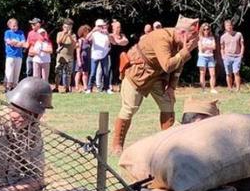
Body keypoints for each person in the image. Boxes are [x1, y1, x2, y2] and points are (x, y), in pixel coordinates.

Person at [111, 16, 199, 155]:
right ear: (182, 33)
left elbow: (178, 65)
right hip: (137, 74)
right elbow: (168, 65)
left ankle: (168, 144)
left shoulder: (181, 41)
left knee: (168, 105)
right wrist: (185, 52)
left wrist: (171, 87)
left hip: (157, 76)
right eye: (191, 36)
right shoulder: (162, 38)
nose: (193, 41)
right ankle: (117, 145)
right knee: (129, 108)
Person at [88, 20, 112, 93]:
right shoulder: (94, 34)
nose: (101, 28)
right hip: (95, 56)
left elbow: (112, 42)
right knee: (93, 73)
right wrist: (92, 31)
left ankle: (106, 88)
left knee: (106, 73)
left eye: (102, 26)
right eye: (99, 26)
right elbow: (87, 39)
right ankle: (89, 88)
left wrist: (108, 34)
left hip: (104, 55)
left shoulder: (106, 34)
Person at [219, 20, 244, 92]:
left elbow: (242, 45)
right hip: (227, 57)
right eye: (227, 26)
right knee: (228, 73)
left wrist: (241, 54)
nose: (229, 27)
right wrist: (223, 56)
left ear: (232, 26)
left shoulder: (238, 34)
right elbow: (222, 47)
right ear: (225, 27)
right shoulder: (223, 37)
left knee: (236, 72)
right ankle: (230, 88)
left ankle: (238, 89)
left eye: (230, 25)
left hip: (237, 56)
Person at [3, 18, 27, 91]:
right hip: (10, 55)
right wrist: (17, 43)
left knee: (16, 72)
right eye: (13, 26)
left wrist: (15, 43)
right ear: (9, 26)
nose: (15, 27)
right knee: (9, 72)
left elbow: (23, 43)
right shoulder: (7, 32)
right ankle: (8, 87)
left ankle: (14, 87)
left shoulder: (21, 32)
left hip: (18, 55)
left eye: (16, 25)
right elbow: (8, 41)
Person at [55, 20, 77, 93]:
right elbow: (58, 42)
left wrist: (69, 35)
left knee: (68, 74)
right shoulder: (59, 33)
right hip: (60, 56)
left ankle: (67, 88)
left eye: (68, 27)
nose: (66, 28)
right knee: (58, 73)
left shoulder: (73, 35)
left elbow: (74, 44)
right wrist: (64, 34)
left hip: (69, 57)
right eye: (65, 27)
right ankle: (56, 87)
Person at [196, 23, 218, 93]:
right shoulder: (200, 38)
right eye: (204, 29)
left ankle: (212, 88)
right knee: (202, 73)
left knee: (213, 74)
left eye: (207, 29)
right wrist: (209, 46)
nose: (206, 30)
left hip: (210, 57)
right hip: (202, 57)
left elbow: (214, 47)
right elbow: (201, 49)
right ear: (202, 30)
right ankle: (203, 89)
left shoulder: (211, 38)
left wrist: (206, 46)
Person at [75, 24, 92, 92]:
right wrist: (79, 60)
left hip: (87, 59)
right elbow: (78, 51)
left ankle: (85, 86)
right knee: (79, 72)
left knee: (86, 73)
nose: (87, 32)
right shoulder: (80, 40)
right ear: (82, 32)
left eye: (88, 31)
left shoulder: (89, 41)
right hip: (81, 58)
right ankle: (76, 86)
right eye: (86, 31)